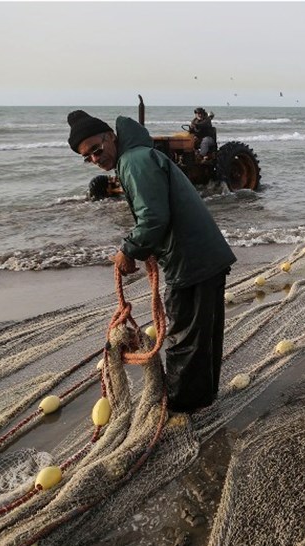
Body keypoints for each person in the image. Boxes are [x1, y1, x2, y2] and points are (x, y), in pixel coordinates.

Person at [67, 110, 236, 413]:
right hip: (203, 256)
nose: (94, 158)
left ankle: (181, 409)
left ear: (111, 137)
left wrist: (129, 250)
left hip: (192, 261)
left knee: (185, 339)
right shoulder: (138, 156)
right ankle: (203, 400)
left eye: (96, 148)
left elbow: (154, 217)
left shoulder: (133, 161)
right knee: (202, 337)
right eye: (86, 157)